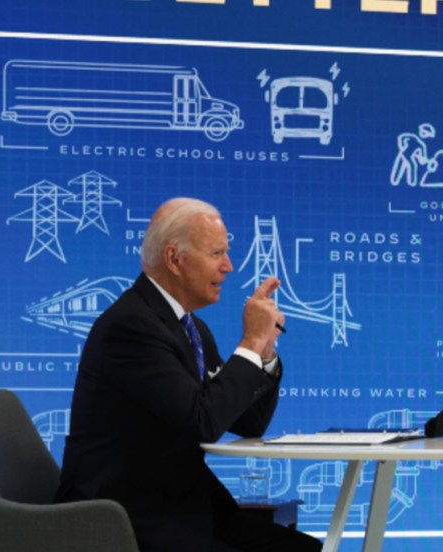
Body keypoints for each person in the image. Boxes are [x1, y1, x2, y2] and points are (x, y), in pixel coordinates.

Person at [55, 198, 322, 551]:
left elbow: (248, 422)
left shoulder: (190, 327)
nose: (229, 266)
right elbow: (203, 420)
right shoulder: (133, 326)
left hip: (186, 508)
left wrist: (265, 350)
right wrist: (250, 340)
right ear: (174, 259)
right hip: (129, 520)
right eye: (216, 253)